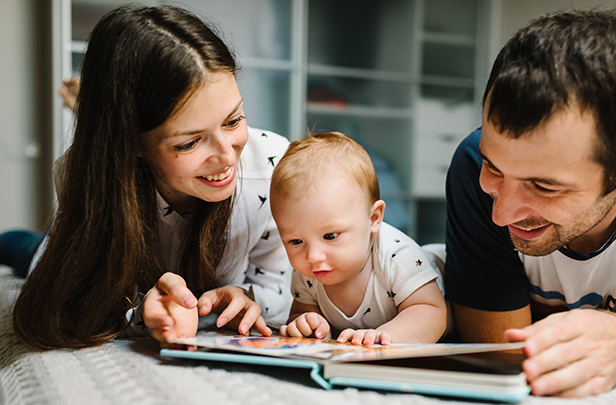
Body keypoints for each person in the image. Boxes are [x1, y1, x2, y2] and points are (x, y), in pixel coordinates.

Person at [444, 8, 616, 398]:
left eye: (544, 186)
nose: (501, 213)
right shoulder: (470, 166)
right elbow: (509, 355)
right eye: (495, 167)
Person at [6, 5, 293, 350]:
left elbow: (285, 290)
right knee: (24, 248)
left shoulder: (272, 168)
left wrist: (245, 300)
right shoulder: (81, 176)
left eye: (233, 121)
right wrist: (142, 313)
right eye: (188, 142)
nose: (226, 155)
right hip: (91, 234)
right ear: (132, 142)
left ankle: (84, 107)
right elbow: (61, 309)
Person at [270, 132, 447, 345]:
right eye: (295, 241)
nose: (313, 256)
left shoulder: (398, 258)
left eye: (330, 236)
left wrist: (386, 335)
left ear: (373, 218)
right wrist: (307, 323)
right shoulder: (309, 273)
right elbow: (301, 312)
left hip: (450, 270)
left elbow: (432, 312)